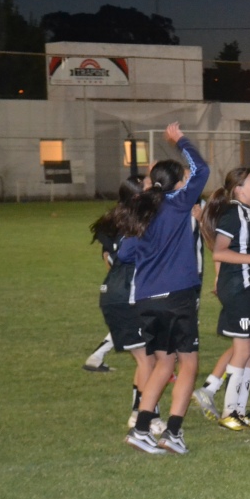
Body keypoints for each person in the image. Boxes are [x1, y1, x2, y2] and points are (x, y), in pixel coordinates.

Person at [118, 122, 209, 455]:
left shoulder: (142, 210)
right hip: (177, 296)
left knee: (163, 363)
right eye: (183, 178)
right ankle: (172, 433)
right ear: (178, 184)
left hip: (146, 298)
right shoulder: (178, 203)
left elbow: (124, 253)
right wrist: (180, 140)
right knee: (188, 364)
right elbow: (203, 169)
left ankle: (141, 428)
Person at [196, 168, 250, 431]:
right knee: (243, 349)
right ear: (239, 189)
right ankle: (229, 411)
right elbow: (219, 253)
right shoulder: (233, 214)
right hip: (238, 289)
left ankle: (240, 411)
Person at [91, 175, 158, 430]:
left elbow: (109, 259)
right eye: (150, 186)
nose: (156, 190)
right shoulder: (137, 224)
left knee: (147, 359)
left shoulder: (120, 220)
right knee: (148, 360)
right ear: (138, 196)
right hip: (127, 295)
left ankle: (140, 413)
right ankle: (144, 417)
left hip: (118, 292)